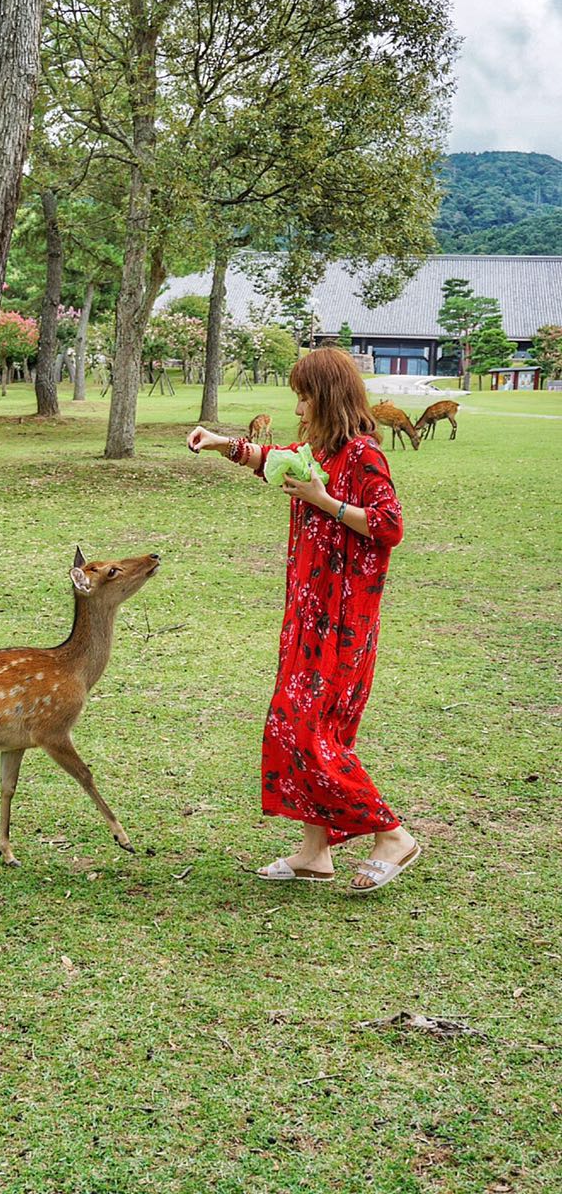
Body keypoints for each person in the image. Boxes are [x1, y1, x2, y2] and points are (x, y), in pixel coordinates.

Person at [186, 348, 421, 893]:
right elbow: (271, 458)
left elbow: (389, 527)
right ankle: (315, 854)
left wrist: (324, 501)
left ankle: (392, 834)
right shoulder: (322, 450)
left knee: (303, 726)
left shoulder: (362, 456)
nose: (298, 406)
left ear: (328, 397)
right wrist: (223, 444)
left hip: (343, 622)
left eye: (305, 395)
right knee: (307, 728)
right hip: (309, 614)